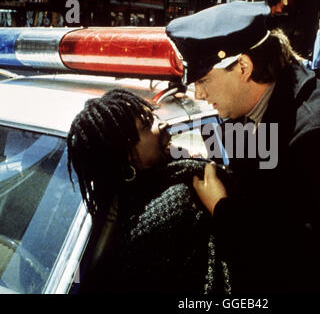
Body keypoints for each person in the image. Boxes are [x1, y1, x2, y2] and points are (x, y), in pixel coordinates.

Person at [166, 1, 320, 294]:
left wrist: (221, 208)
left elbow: (300, 260)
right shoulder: (249, 108)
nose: (198, 93)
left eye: (204, 79)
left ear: (244, 67)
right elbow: (254, 185)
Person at [67, 88, 231, 293]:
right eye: (147, 125)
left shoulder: (115, 210)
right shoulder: (178, 200)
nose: (163, 124)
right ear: (127, 154)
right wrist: (220, 206)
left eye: (154, 117)